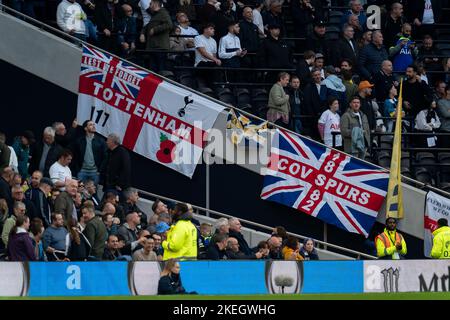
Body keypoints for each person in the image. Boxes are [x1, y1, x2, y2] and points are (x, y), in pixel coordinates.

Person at [139, 0, 173, 72]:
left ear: (155, 3)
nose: (149, 5)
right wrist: (142, 33)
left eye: (150, 4)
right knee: (153, 70)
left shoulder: (163, 12)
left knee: (160, 70)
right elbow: (148, 26)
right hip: (153, 47)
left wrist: (155, 29)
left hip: (160, 47)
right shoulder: (155, 15)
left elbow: (169, 24)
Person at [73, 120, 107, 186]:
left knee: (93, 192)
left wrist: (99, 171)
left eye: (94, 124)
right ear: (85, 128)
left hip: (95, 172)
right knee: (80, 190)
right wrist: (78, 169)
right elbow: (75, 156)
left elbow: (105, 157)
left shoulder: (100, 141)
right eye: (91, 125)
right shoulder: (79, 141)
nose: (93, 126)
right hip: (82, 171)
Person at [194, 23, 220, 88]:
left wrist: (215, 60)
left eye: (213, 29)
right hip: (201, 63)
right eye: (211, 28)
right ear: (205, 30)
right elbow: (203, 52)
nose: (213, 30)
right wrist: (215, 60)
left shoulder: (213, 41)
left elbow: (214, 55)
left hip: (211, 64)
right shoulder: (198, 38)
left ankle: (218, 88)